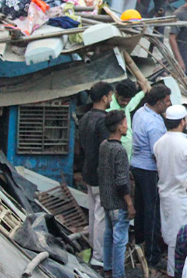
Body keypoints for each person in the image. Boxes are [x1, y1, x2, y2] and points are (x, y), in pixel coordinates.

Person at [154, 104, 187, 276]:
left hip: (166, 196)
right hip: (182, 198)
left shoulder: (158, 144)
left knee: (171, 237)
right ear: (183, 122)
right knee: (179, 240)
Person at [131, 84, 171, 268]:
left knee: (141, 208)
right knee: (152, 212)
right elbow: (158, 152)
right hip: (150, 170)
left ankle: (139, 242)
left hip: (137, 166)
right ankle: (153, 255)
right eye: (167, 101)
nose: (169, 104)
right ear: (159, 102)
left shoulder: (141, 112)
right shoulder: (154, 124)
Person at [98, 110, 135, 278]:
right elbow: (121, 181)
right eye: (126, 123)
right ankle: (118, 274)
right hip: (118, 203)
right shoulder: (119, 151)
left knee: (108, 235)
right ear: (120, 127)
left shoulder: (104, 145)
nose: (127, 126)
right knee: (120, 240)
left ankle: (108, 268)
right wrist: (129, 203)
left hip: (106, 199)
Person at [80, 81, 113, 269]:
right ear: (104, 98)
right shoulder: (104, 120)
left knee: (93, 213)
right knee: (101, 215)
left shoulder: (85, 117)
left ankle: (94, 249)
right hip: (100, 173)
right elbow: (105, 149)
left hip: (88, 170)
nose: (111, 98)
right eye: (110, 96)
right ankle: (99, 256)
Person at [107, 79, 149, 159]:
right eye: (123, 100)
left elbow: (135, 100)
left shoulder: (126, 105)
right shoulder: (109, 108)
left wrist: (144, 91)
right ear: (116, 93)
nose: (125, 103)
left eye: (128, 101)